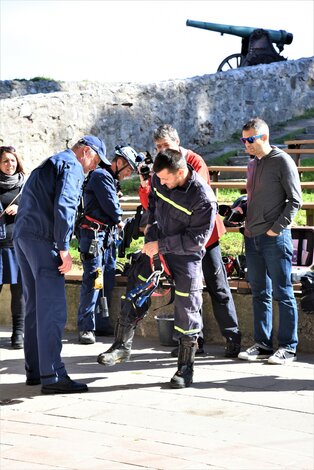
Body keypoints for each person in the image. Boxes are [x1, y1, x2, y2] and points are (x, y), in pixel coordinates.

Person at [97, 149, 217, 388]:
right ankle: (121, 346)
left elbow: (196, 241)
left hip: (186, 256)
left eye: (165, 179)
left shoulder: (203, 198)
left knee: (188, 307)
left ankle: (185, 369)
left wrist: (160, 245)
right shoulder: (158, 178)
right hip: (157, 245)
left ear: (181, 172)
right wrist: (150, 230)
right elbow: (153, 204)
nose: (160, 182)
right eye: (158, 178)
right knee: (135, 287)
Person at [13, 135, 107, 394]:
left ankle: (35, 371)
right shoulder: (72, 166)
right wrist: (64, 248)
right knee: (52, 310)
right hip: (44, 240)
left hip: (23, 237)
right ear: (86, 152)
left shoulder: (49, 163)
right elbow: (65, 204)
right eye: (95, 161)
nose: (93, 168)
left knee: (34, 307)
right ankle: (53, 376)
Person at [138, 124, 242, 357]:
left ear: (177, 142)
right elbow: (152, 204)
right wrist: (146, 185)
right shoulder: (160, 170)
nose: (161, 150)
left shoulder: (194, 161)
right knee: (187, 291)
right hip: (178, 238)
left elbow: (195, 197)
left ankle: (232, 337)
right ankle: (193, 341)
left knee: (218, 287)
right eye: (157, 147)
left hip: (205, 237)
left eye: (165, 145)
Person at [237, 118, 302, 364]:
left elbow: (295, 201)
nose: (246, 144)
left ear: (264, 137)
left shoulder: (283, 161)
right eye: (244, 140)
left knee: (283, 293)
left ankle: (288, 347)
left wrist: (275, 229)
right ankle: (263, 344)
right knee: (259, 293)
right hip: (252, 237)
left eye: (250, 140)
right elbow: (254, 198)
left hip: (274, 238)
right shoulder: (252, 164)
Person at [77, 145, 139, 344]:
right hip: (94, 235)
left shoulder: (110, 179)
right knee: (94, 279)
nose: (128, 174)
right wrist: (121, 220)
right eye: (128, 169)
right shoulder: (101, 176)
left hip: (108, 236)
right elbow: (112, 208)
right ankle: (86, 327)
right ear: (119, 162)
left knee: (108, 279)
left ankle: (101, 324)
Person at [0, 146, 26, 349]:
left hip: (17, 244)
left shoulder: (24, 186)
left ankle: (18, 333)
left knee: (19, 291)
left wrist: (20, 207)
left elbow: (37, 209)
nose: (10, 165)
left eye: (13, 161)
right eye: (5, 161)